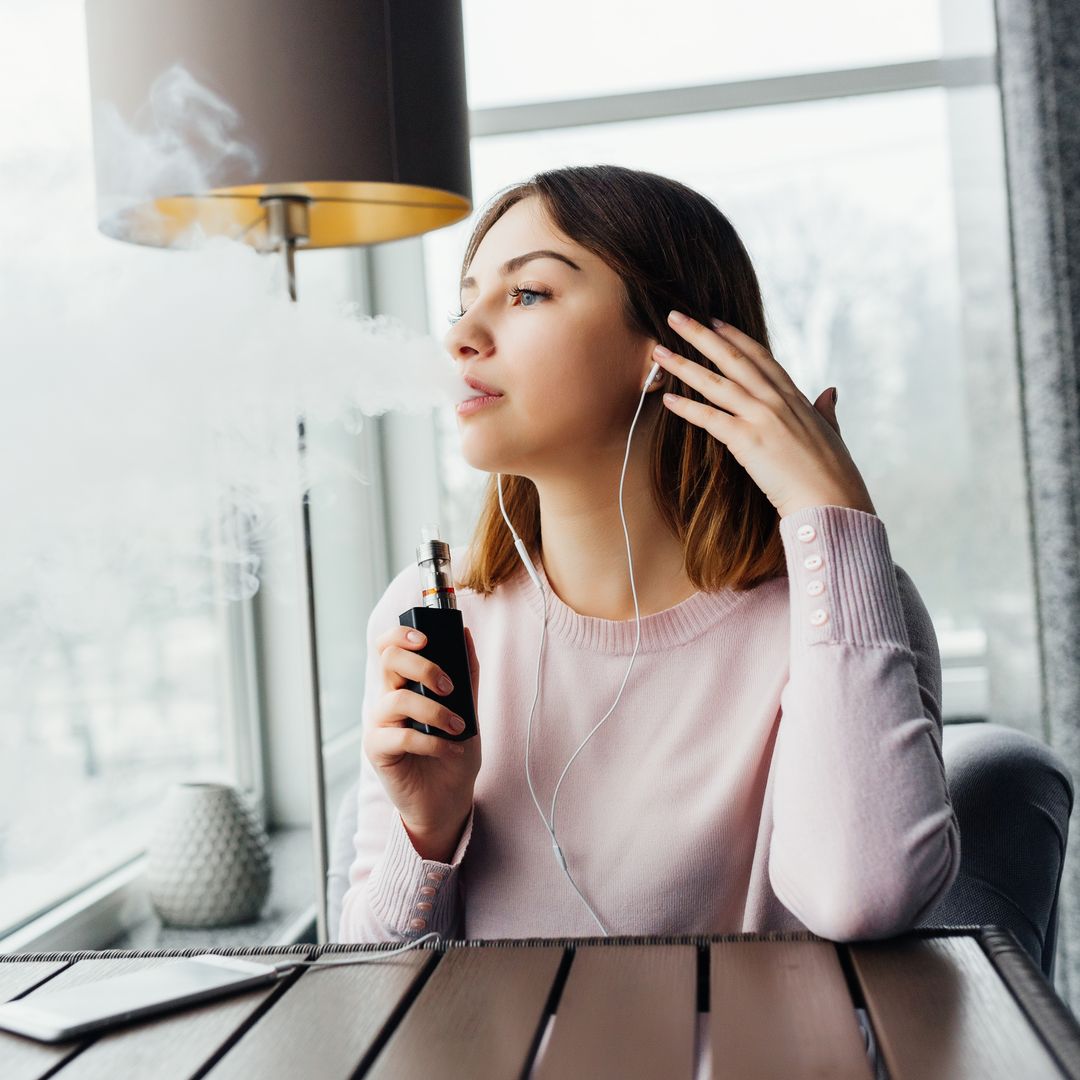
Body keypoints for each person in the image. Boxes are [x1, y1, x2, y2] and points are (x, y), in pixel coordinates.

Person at [338, 164, 960, 944]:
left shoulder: (839, 606)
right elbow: (367, 983)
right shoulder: (434, 613)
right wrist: (427, 831)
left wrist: (831, 519)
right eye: (465, 302)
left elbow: (862, 897)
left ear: (665, 347)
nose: (460, 336)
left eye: (527, 293)